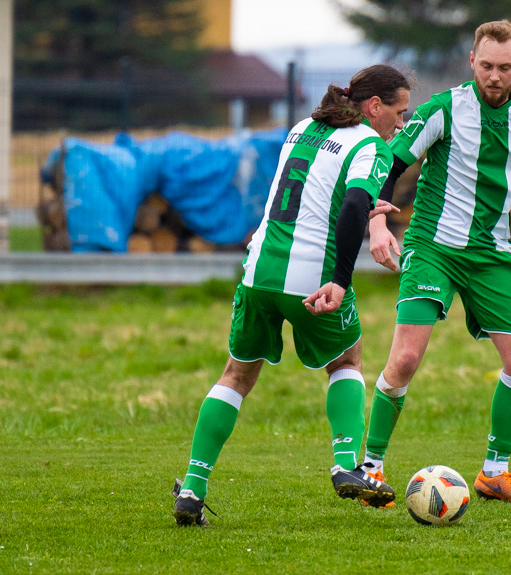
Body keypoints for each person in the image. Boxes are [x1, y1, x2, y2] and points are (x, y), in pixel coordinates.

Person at [171, 64, 412, 526]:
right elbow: (356, 204)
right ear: (374, 106)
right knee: (347, 362)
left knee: (236, 376)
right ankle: (346, 465)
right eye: (399, 112)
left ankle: (193, 490)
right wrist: (341, 279)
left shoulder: (303, 128)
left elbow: (313, 192)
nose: (401, 123)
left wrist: (353, 202)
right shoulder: (369, 143)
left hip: (259, 267)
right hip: (310, 275)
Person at [362, 19, 511, 506]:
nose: (495, 75)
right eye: (486, 65)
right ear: (472, 61)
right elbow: (393, 163)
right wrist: (379, 222)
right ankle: (370, 469)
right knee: (405, 359)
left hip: (491, 254)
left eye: (505, 68)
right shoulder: (444, 108)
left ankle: (495, 473)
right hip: (432, 246)